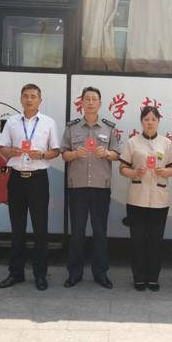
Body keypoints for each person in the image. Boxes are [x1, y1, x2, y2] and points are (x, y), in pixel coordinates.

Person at [0, 83, 60, 290]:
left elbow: (56, 151)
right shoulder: (12, 122)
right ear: (21, 99)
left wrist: (42, 154)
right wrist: (10, 152)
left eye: (33, 96)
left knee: (40, 229)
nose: (29, 100)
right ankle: (16, 273)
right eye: (26, 96)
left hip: (38, 180)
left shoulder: (48, 123)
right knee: (17, 228)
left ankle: (40, 275)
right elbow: (2, 148)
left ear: (40, 100)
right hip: (16, 179)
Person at [61, 86, 119, 289]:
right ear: (82, 103)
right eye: (87, 99)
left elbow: (117, 154)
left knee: (100, 232)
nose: (91, 102)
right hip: (77, 187)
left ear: (100, 103)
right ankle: (74, 274)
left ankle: (100, 274)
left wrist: (107, 154)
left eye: (94, 99)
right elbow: (64, 154)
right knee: (77, 232)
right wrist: (75, 154)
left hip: (100, 187)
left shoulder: (109, 128)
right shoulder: (72, 128)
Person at [119, 106, 172, 292]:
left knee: (155, 240)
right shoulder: (132, 142)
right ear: (141, 122)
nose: (150, 123)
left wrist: (164, 171)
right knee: (137, 241)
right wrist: (135, 172)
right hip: (137, 199)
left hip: (159, 199)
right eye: (146, 119)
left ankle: (153, 278)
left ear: (158, 121)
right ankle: (138, 277)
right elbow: (122, 168)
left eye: (153, 119)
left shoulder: (166, 143)